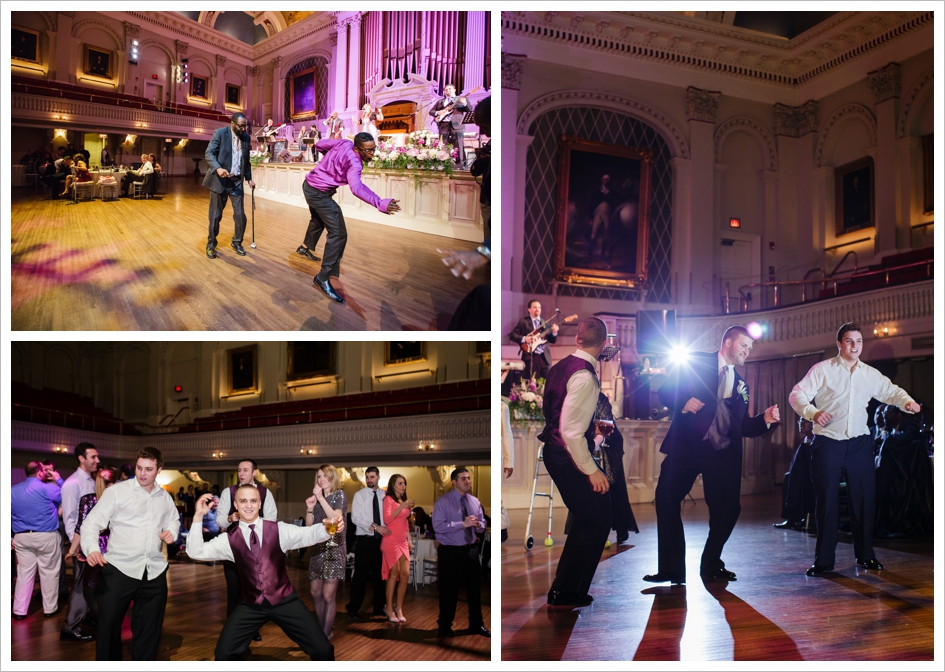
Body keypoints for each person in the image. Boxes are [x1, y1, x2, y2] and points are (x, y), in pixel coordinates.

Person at [644, 326, 779, 585]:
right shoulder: (696, 360)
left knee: (729, 510)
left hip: (722, 453)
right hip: (686, 448)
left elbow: (741, 426)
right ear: (728, 343)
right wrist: (682, 402)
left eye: (750, 349)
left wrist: (765, 420)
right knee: (665, 499)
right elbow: (665, 390)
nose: (747, 352)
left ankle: (711, 563)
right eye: (743, 346)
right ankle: (671, 569)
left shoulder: (742, 384)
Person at [789, 322, 921, 576]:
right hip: (828, 443)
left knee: (863, 501)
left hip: (859, 444)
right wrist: (813, 413)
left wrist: (906, 402)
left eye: (859, 341)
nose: (855, 346)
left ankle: (866, 556)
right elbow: (797, 394)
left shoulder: (869, 374)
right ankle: (824, 561)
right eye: (849, 341)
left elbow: (891, 392)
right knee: (826, 502)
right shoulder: (822, 369)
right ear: (839, 344)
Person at [187, 487, 339, 660]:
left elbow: (309, 534)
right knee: (223, 653)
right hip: (251, 604)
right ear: (236, 505)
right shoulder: (228, 539)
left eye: (253, 501)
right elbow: (196, 552)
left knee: (323, 649)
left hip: (285, 601)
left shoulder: (278, 529)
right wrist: (198, 516)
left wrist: (327, 528)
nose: (248, 505)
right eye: (243, 501)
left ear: (259, 504)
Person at [535, 317, 611, 605]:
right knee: (598, 518)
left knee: (588, 519)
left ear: (577, 339)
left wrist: (592, 440)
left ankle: (565, 589)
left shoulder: (559, 367)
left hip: (557, 451)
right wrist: (592, 470)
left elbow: (560, 419)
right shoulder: (585, 376)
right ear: (604, 345)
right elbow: (569, 431)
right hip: (566, 454)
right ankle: (567, 591)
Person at [80, 447, 180, 660]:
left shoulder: (165, 496)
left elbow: (173, 519)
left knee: (149, 630)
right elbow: (91, 523)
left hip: (154, 571)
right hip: (119, 569)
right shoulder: (116, 492)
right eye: (139, 468)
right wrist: (92, 549)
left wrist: (172, 531)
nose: (143, 473)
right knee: (108, 628)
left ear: (159, 470)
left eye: (149, 469)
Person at [298, 132, 400, 303]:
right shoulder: (355, 162)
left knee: (318, 221)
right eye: (366, 151)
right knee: (338, 233)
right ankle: (322, 277)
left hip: (309, 186)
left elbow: (320, 144)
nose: (371, 154)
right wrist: (380, 202)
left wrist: (329, 161)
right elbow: (356, 188)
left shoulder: (343, 143)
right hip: (318, 193)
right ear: (356, 148)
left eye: (373, 149)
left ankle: (305, 247)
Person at [216, 458, 277, 642]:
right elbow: (219, 520)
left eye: (245, 470)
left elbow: (272, 520)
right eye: (239, 470)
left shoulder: (265, 493)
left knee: (254, 591)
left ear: (254, 473)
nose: (241, 473)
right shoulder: (229, 492)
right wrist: (230, 518)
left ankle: (252, 629)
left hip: (258, 551)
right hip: (234, 549)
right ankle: (232, 633)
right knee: (234, 590)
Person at [64, 465, 120, 639]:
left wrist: (73, 550)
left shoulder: (88, 499)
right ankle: (102, 623)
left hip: (92, 549)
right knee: (100, 590)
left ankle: (102, 623)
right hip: (112, 550)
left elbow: (80, 528)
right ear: (113, 483)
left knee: (88, 590)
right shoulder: (118, 501)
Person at [432, 467, 489, 637]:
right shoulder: (443, 502)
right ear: (454, 482)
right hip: (450, 552)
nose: (467, 481)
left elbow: (483, 525)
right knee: (449, 591)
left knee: (474, 590)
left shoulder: (474, 501)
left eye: (469, 478)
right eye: (463, 478)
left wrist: (479, 525)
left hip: (470, 550)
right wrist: (461, 524)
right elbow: (438, 527)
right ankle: (444, 626)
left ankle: (476, 625)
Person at [12, 461, 63, 621]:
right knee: (49, 573)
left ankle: (19, 610)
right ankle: (49, 609)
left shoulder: (12, 490)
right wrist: (58, 479)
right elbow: (67, 494)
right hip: (46, 536)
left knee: (24, 574)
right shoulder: (47, 488)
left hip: (22, 536)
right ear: (40, 472)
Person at [59, 442, 100, 640]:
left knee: (91, 585)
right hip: (82, 545)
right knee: (80, 586)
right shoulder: (72, 484)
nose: (97, 461)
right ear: (81, 459)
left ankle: (85, 617)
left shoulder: (91, 481)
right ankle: (70, 627)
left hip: (93, 543)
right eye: (93, 457)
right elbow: (70, 519)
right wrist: (77, 547)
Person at [203, 112, 255, 260]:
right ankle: (211, 245)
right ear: (232, 123)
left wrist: (249, 179)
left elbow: (246, 161)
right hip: (220, 181)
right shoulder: (220, 133)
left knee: (240, 216)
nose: (244, 129)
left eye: (245, 126)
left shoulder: (246, 138)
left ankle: (237, 242)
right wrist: (218, 168)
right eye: (241, 126)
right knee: (215, 217)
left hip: (236, 182)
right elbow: (209, 153)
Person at [305, 465, 347, 638]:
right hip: (317, 548)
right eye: (319, 476)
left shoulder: (340, 495)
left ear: (332, 477)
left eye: (324, 476)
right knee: (315, 593)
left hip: (334, 548)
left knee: (328, 595)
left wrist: (321, 499)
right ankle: (323, 629)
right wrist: (309, 507)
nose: (321, 479)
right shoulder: (318, 498)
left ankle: (324, 633)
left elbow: (336, 519)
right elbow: (309, 525)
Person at [593, 391, 639, 544]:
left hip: (610, 443)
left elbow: (606, 424)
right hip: (590, 442)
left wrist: (594, 443)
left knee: (614, 484)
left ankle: (621, 528)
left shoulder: (599, 397)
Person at [345, 466, 390, 621]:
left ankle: (378, 607)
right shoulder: (360, 495)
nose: (369, 480)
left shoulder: (385, 495)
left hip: (382, 541)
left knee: (380, 576)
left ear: (378, 477)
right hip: (365, 540)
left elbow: (388, 517)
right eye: (367, 477)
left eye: (372, 477)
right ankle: (353, 608)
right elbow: (355, 518)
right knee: (360, 576)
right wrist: (376, 527)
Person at [773, 417, 817, 531]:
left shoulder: (817, 441)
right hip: (803, 475)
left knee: (795, 480)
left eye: (804, 421)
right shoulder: (806, 441)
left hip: (814, 477)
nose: (800, 424)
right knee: (789, 478)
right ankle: (792, 519)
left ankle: (807, 518)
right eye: (799, 421)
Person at [380, 474, 413, 623]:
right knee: (394, 573)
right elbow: (387, 520)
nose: (403, 486)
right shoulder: (388, 499)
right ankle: (388, 608)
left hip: (402, 540)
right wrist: (402, 506)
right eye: (400, 483)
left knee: (405, 574)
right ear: (393, 485)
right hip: (391, 539)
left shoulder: (403, 501)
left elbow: (405, 522)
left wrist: (409, 538)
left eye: (404, 483)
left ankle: (398, 607)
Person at [509, 300, 559, 380]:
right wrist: (525, 339)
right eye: (535, 307)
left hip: (545, 358)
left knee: (548, 383)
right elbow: (512, 335)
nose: (537, 309)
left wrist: (554, 333)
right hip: (531, 357)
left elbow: (552, 340)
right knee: (532, 384)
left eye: (539, 307)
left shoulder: (546, 323)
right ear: (529, 309)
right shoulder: (523, 322)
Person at [430, 84, 470, 166]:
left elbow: (469, 109)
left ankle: (460, 164)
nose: (447, 90)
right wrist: (438, 112)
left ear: (454, 90)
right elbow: (431, 111)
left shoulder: (460, 99)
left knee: (458, 143)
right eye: (445, 89)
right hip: (443, 124)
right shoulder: (440, 101)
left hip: (457, 124)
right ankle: (445, 163)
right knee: (444, 144)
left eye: (449, 89)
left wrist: (465, 103)